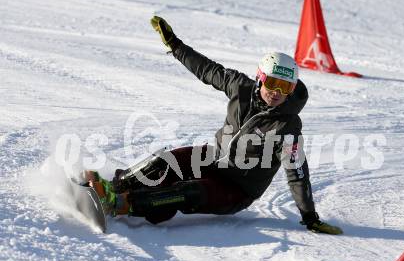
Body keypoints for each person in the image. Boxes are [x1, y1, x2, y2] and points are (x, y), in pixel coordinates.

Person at [83, 16, 342, 234]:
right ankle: (112, 186)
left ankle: (119, 204)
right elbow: (207, 70)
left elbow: (296, 172)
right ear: (260, 78)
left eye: (285, 87)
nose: (277, 92)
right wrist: (175, 46)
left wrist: (309, 216)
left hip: (238, 188)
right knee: (165, 161)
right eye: (273, 83)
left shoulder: (287, 127)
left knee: (187, 193)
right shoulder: (240, 87)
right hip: (213, 158)